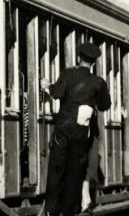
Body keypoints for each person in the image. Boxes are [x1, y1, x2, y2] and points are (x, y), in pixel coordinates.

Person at [42, 43, 111, 216]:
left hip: (63, 128)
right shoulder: (98, 82)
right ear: (94, 62)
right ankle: (68, 212)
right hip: (82, 132)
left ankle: (51, 210)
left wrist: (46, 85)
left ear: (79, 57)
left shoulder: (68, 74)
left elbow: (56, 93)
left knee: (57, 169)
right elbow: (105, 106)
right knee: (75, 173)